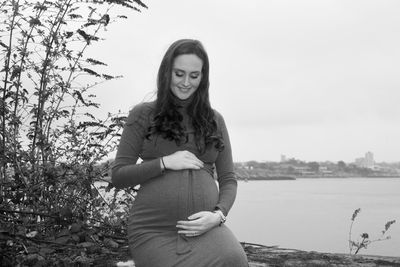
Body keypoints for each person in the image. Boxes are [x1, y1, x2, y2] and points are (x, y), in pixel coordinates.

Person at [112, 39, 248, 267]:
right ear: (167, 73)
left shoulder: (215, 120)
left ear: (203, 78)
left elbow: (228, 180)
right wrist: (164, 163)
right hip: (154, 228)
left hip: (204, 228)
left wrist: (217, 216)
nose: (186, 82)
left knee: (235, 260)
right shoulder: (143, 114)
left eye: (194, 76)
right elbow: (119, 176)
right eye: (179, 74)